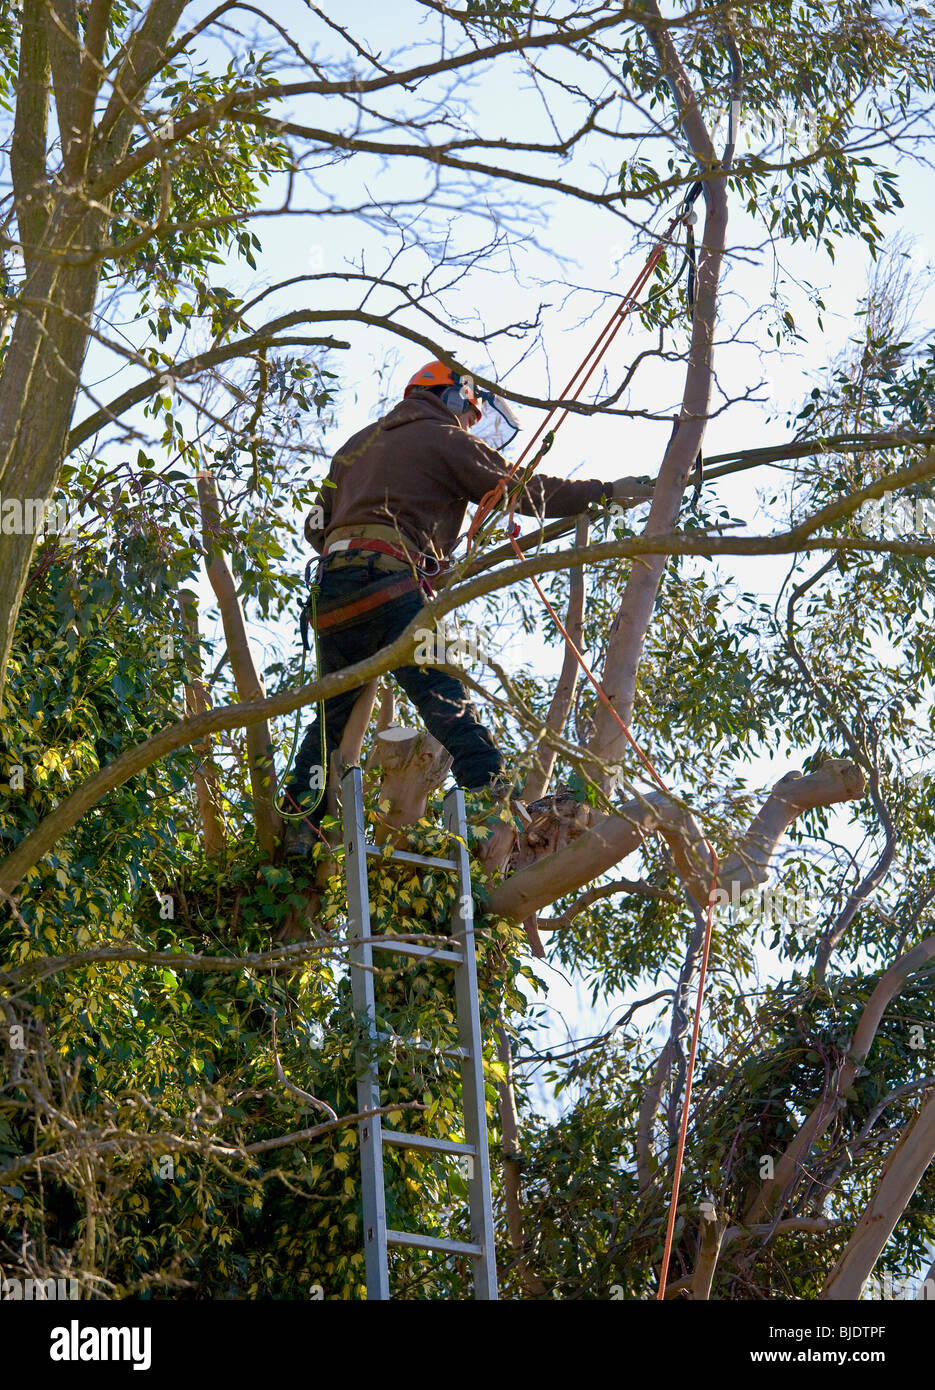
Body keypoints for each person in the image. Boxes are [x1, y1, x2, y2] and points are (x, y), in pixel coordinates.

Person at [281, 359, 653, 854]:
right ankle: (491, 807)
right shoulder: (444, 437)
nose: (473, 424)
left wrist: (397, 539)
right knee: (446, 701)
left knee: (331, 719)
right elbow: (519, 491)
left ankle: (297, 825)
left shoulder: (355, 446)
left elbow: (314, 525)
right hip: (390, 584)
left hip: (334, 593)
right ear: (450, 396)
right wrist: (603, 493)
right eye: (472, 414)